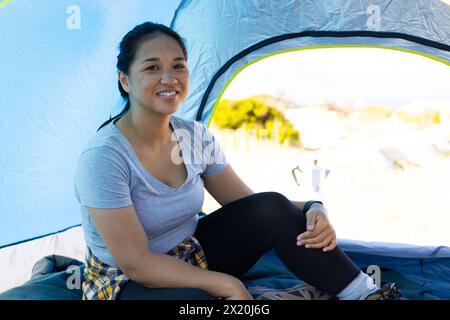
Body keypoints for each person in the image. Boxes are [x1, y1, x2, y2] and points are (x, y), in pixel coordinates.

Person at [74, 22, 400, 300]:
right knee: (200, 299)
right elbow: (136, 263)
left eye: (178, 65)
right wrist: (226, 283)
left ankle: (363, 293)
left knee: (271, 207)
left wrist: (314, 206)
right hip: (126, 279)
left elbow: (252, 206)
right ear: (125, 80)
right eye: (152, 67)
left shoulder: (194, 137)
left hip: (191, 253)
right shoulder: (104, 158)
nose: (169, 77)